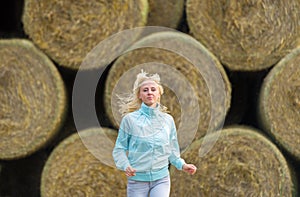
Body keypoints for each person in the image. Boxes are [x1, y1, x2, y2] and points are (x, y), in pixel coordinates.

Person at [112, 70, 197, 197]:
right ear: (139, 95)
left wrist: (182, 165)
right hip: (137, 181)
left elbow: (172, 151)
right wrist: (125, 165)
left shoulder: (168, 120)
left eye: (153, 89)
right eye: (145, 90)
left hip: (161, 179)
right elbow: (119, 149)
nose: (149, 92)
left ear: (159, 94)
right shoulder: (129, 120)